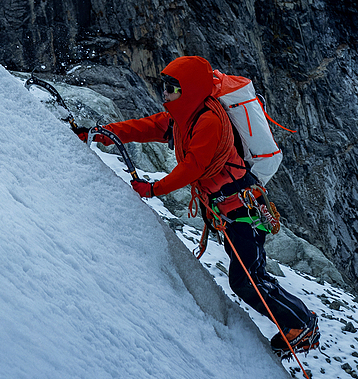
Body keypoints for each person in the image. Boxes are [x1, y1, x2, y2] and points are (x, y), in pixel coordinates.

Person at [94, 53, 320, 356]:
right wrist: (108, 133)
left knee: (246, 280)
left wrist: (153, 189)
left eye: (172, 88)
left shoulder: (209, 121)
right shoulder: (185, 118)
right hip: (235, 211)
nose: (166, 93)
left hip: (242, 211)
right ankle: (299, 323)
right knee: (250, 275)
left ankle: (300, 325)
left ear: (188, 90)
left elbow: (193, 167)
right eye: (165, 87)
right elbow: (147, 126)